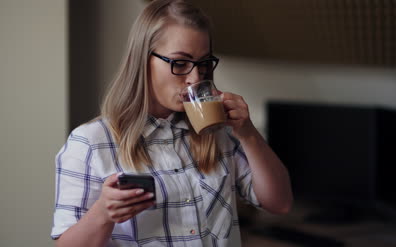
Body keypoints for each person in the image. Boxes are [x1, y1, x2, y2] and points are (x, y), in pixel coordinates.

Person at [51, 0, 293, 246]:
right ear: (142, 60)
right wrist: (103, 213)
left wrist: (249, 134)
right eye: (180, 63)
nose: (194, 78)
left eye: (203, 64)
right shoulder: (90, 143)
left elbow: (280, 203)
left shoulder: (218, 133)